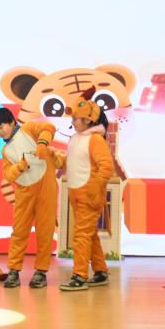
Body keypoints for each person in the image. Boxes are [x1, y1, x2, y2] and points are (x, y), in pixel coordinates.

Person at [0, 107, 62, 289]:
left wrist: (42, 143)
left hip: (46, 187)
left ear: (12, 122)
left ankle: (41, 271)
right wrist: (20, 167)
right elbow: (8, 175)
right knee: (19, 231)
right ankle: (13, 270)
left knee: (45, 230)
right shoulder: (5, 150)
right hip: (24, 192)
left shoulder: (28, 128)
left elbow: (48, 127)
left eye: (1, 127)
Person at [59, 91, 114, 291]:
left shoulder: (96, 139)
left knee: (81, 235)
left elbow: (106, 167)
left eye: (77, 118)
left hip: (88, 194)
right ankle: (100, 271)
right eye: (73, 118)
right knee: (89, 234)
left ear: (89, 119)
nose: (73, 121)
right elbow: (73, 162)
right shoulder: (76, 138)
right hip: (77, 193)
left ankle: (80, 275)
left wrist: (93, 187)